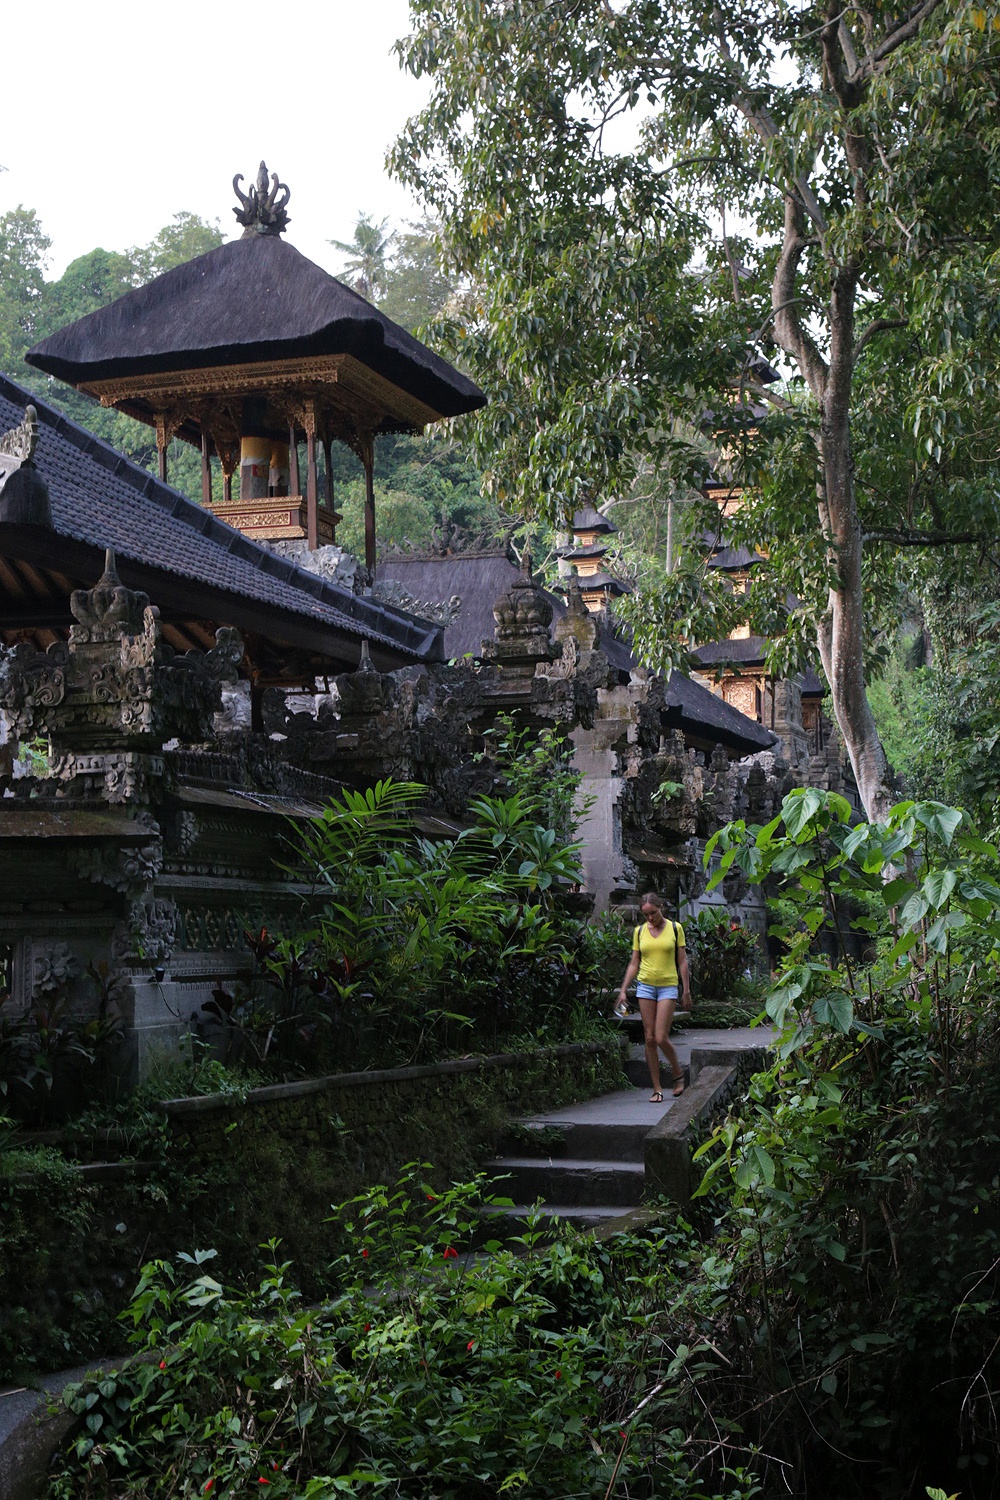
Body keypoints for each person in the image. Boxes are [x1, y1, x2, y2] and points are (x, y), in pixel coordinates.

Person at [616, 892, 691, 1102]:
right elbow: (634, 962)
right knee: (649, 1039)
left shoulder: (675, 929)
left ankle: (678, 1073)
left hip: (668, 986)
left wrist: (686, 989)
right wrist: (623, 989)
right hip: (645, 987)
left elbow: (683, 961)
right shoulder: (640, 932)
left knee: (660, 1037)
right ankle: (657, 1088)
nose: (650, 918)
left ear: (661, 908)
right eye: (646, 914)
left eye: (653, 913)